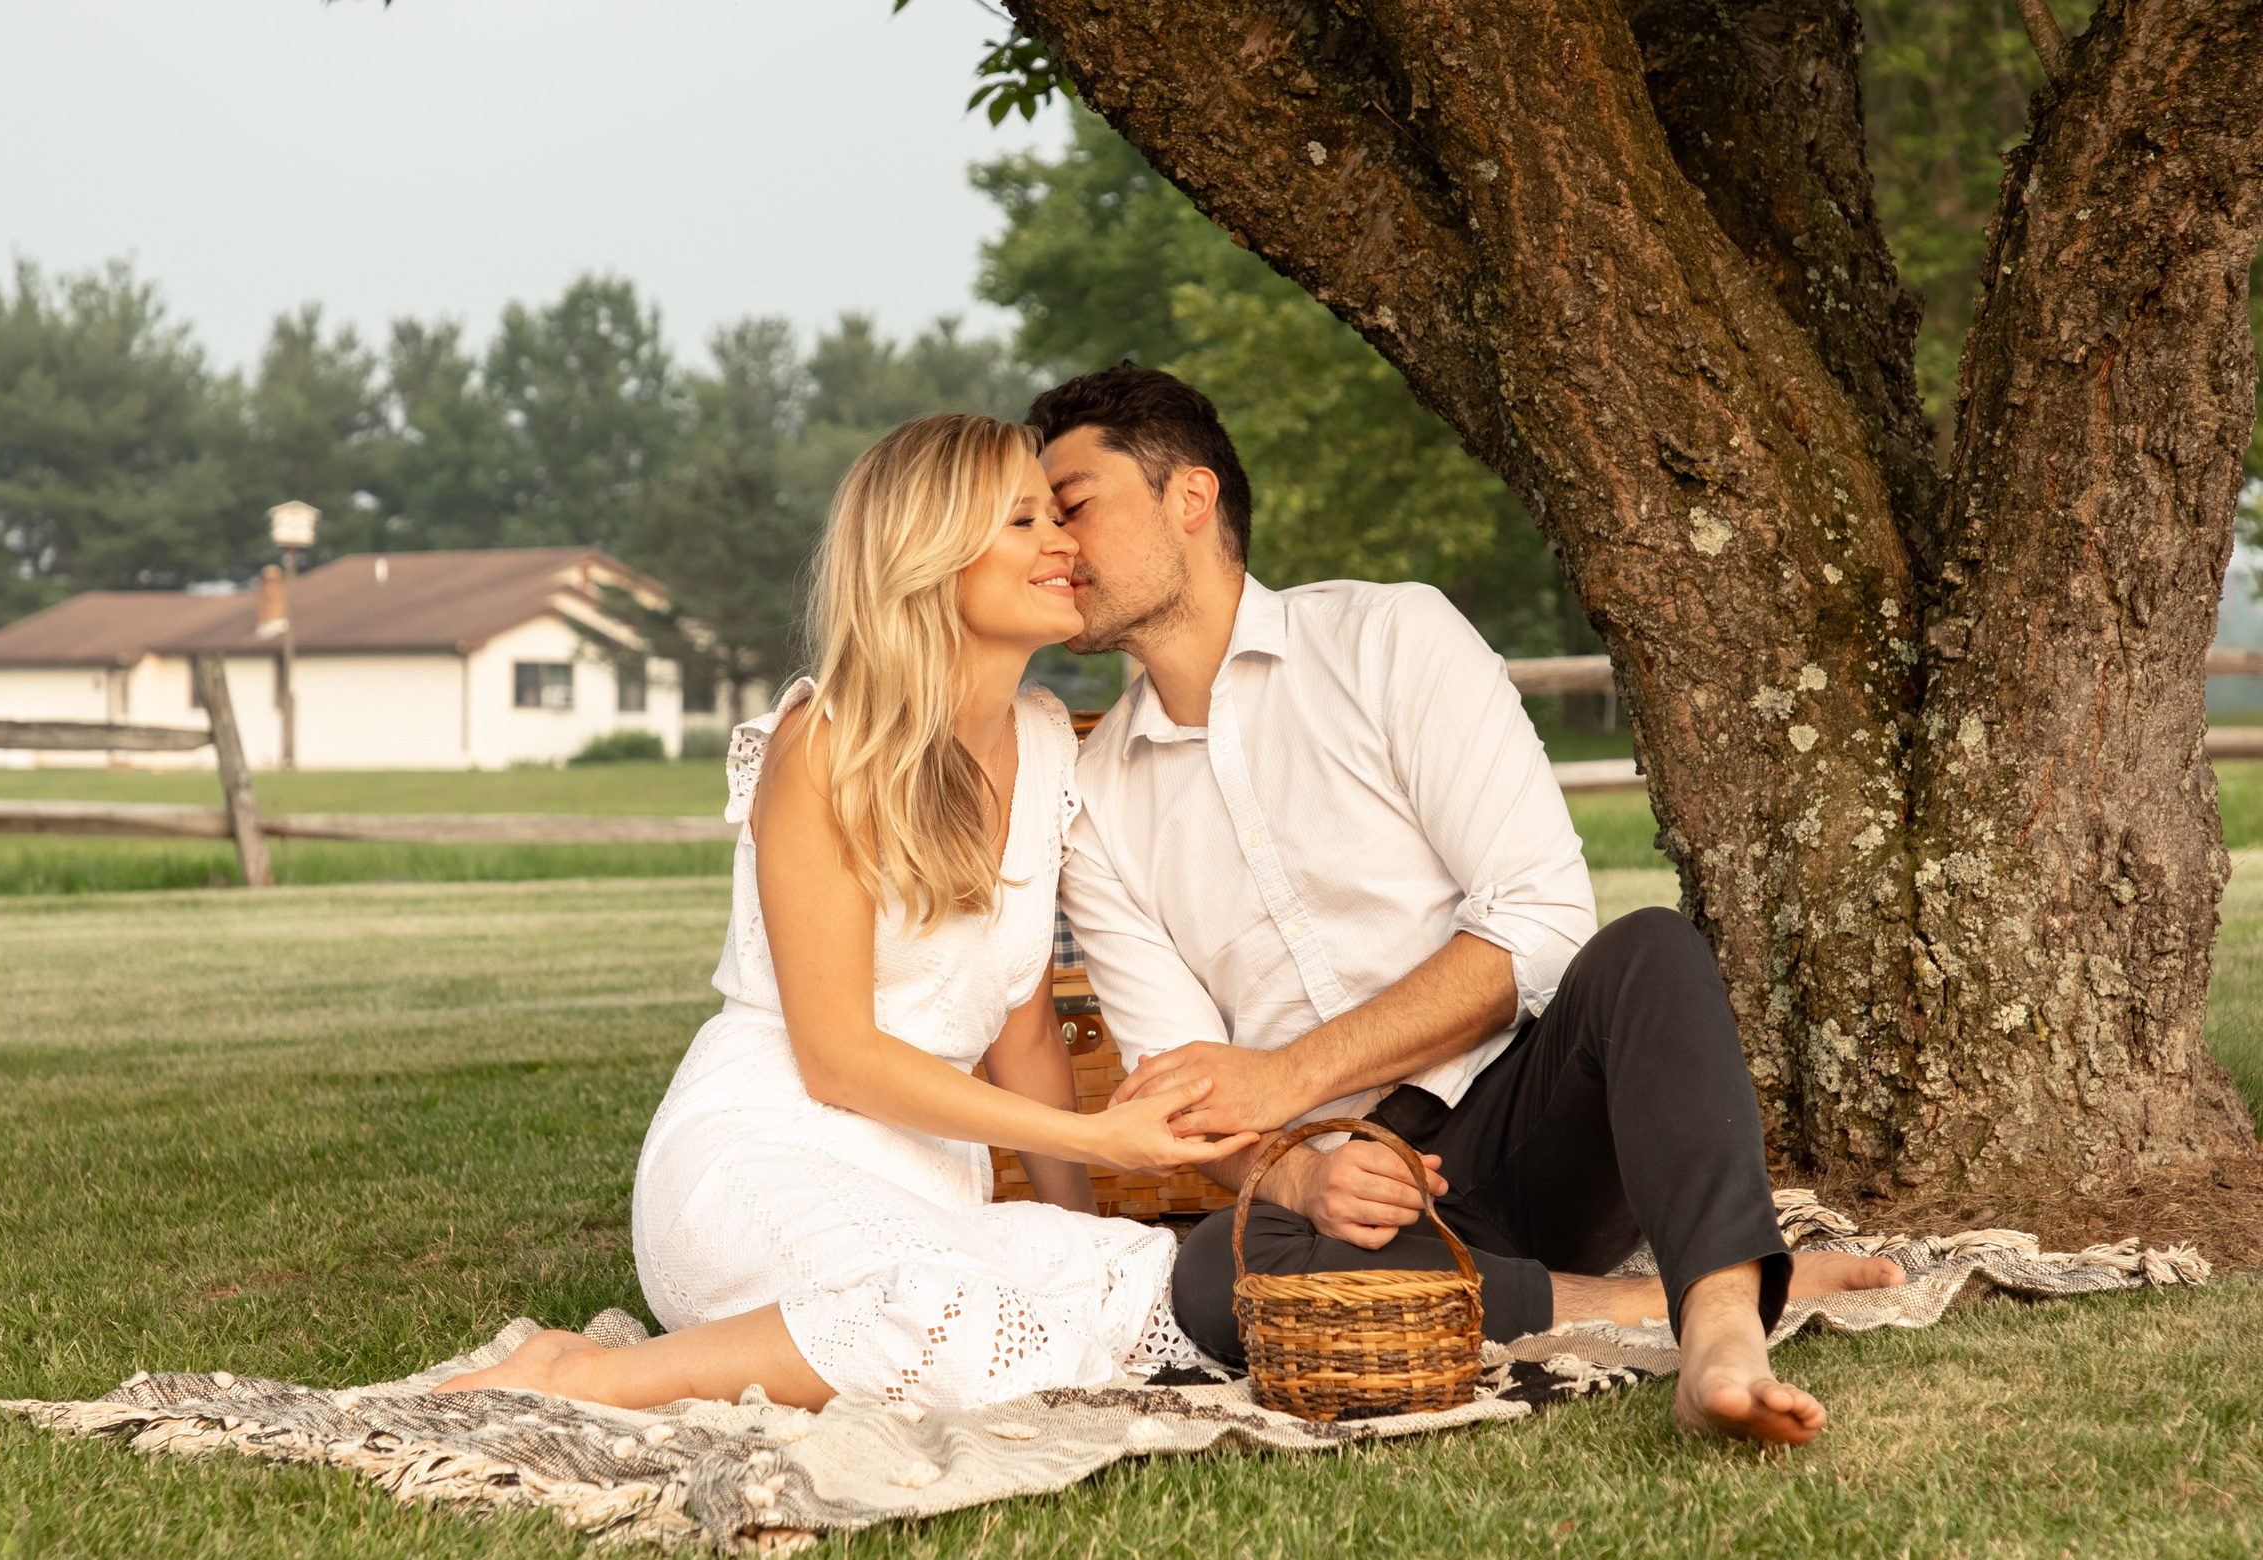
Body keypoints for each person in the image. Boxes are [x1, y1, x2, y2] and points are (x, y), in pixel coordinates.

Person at [1037, 365, 1904, 1447]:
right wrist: (1302, 1177)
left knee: (1648, 952)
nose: (1050, 545)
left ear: (1189, 499)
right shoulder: (1097, 801)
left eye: (1071, 506)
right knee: (1215, 1276)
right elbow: (1183, 1094)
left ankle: (1724, 1329)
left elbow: (1537, 920)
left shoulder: (1388, 638)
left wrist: (1290, 1076)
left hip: (1528, 1115)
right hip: (1348, 1208)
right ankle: (1652, 1300)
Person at [440, 414, 1245, 1411]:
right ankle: (581, 1377)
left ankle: (664, 1363)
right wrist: (1102, 1145)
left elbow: (1026, 1035)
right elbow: (837, 1060)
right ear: (931, 555)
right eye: (1023, 520)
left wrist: (1076, 1231)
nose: (1063, 543)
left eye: (1057, 515)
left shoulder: (1043, 743)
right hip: (761, 1151)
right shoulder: (825, 743)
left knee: (1122, 1293)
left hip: (931, 1190)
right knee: (952, 1317)